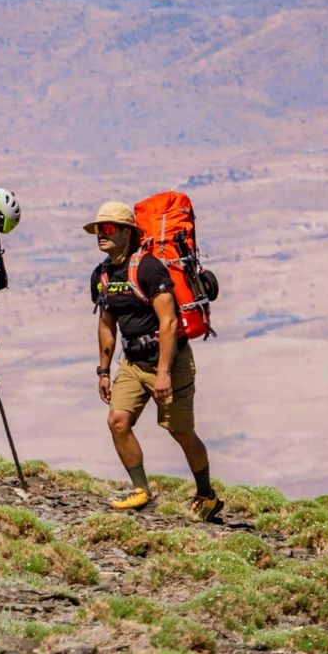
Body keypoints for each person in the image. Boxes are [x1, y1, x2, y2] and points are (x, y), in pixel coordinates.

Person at [86, 201, 221, 520]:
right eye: (97, 229)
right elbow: (107, 324)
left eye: (107, 229)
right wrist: (103, 372)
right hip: (132, 362)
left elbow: (169, 322)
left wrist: (163, 374)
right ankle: (140, 491)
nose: (100, 235)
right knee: (118, 421)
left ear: (126, 232)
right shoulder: (102, 274)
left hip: (169, 363)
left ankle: (206, 495)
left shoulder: (148, 268)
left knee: (180, 431)